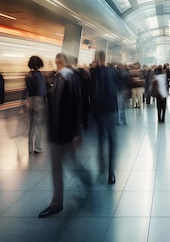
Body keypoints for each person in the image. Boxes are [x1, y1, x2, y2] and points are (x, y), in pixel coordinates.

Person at [39, 53, 82, 218]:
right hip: (57, 132)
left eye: (58, 60)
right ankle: (58, 201)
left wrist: (76, 133)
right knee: (63, 166)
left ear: (63, 62)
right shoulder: (58, 78)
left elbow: (75, 107)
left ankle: (57, 203)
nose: (56, 62)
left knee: (62, 167)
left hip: (65, 133)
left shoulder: (69, 79)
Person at [90, 50, 121, 185]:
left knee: (101, 138)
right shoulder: (112, 71)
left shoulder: (93, 73)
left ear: (97, 59)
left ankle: (101, 164)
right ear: (105, 58)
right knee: (112, 140)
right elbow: (120, 87)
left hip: (99, 110)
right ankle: (111, 172)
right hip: (110, 109)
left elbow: (91, 92)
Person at [24, 56, 47, 154]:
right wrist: (45, 102)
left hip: (30, 101)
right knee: (38, 125)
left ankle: (29, 148)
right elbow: (42, 90)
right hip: (38, 100)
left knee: (31, 125)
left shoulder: (27, 76)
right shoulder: (40, 76)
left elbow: (26, 90)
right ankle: (37, 147)